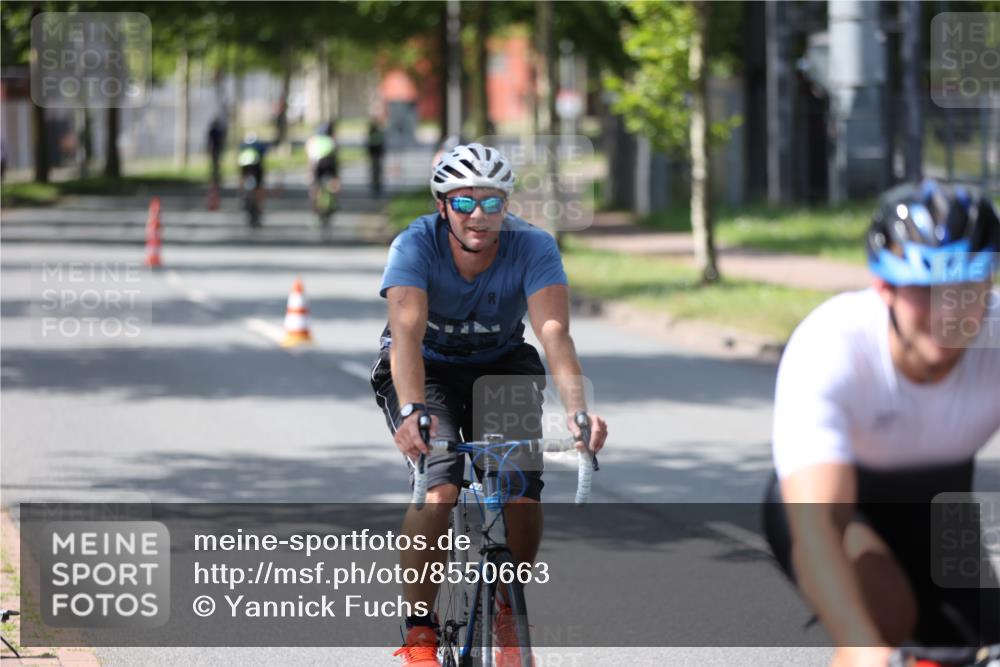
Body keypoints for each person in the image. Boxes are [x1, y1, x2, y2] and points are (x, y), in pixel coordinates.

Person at [371, 143, 608, 667]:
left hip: (500, 365)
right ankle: (420, 633)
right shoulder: (413, 246)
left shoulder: (534, 246)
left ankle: (507, 611)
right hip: (425, 371)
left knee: (519, 492)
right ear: (442, 206)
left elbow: (553, 332)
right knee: (442, 486)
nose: (478, 215)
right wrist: (412, 412)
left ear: (506, 205)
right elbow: (406, 336)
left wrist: (577, 409)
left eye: (492, 202)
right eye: (463, 203)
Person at [763, 180, 1000, 667]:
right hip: (840, 512)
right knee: (879, 624)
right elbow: (819, 526)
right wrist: (862, 645)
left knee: (973, 648)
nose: (947, 313)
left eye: (965, 290)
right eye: (926, 290)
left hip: (940, 512)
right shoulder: (832, 345)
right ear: (885, 287)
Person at [305, 121, 340, 214]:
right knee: (334, 182)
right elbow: (336, 157)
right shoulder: (332, 140)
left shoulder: (313, 140)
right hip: (329, 162)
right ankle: (334, 200)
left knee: (315, 185)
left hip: (317, 163)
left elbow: (311, 159)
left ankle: (314, 204)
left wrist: (310, 174)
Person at [237, 132, 267, 211]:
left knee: (242, 180)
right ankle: (260, 205)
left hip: (245, 167)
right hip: (256, 167)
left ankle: (242, 196)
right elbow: (263, 155)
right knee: (259, 186)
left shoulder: (243, 146)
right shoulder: (259, 146)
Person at [367, 116, 386, 197]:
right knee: (376, 170)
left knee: (376, 170)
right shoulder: (375, 131)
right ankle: (376, 184)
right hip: (375, 154)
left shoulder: (373, 131)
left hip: (376, 154)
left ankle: (376, 184)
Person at [207, 115, 226, 188]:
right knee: (215, 164)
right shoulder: (216, 130)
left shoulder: (215, 130)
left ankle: (216, 178)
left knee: (216, 164)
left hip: (216, 148)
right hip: (216, 148)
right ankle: (215, 177)